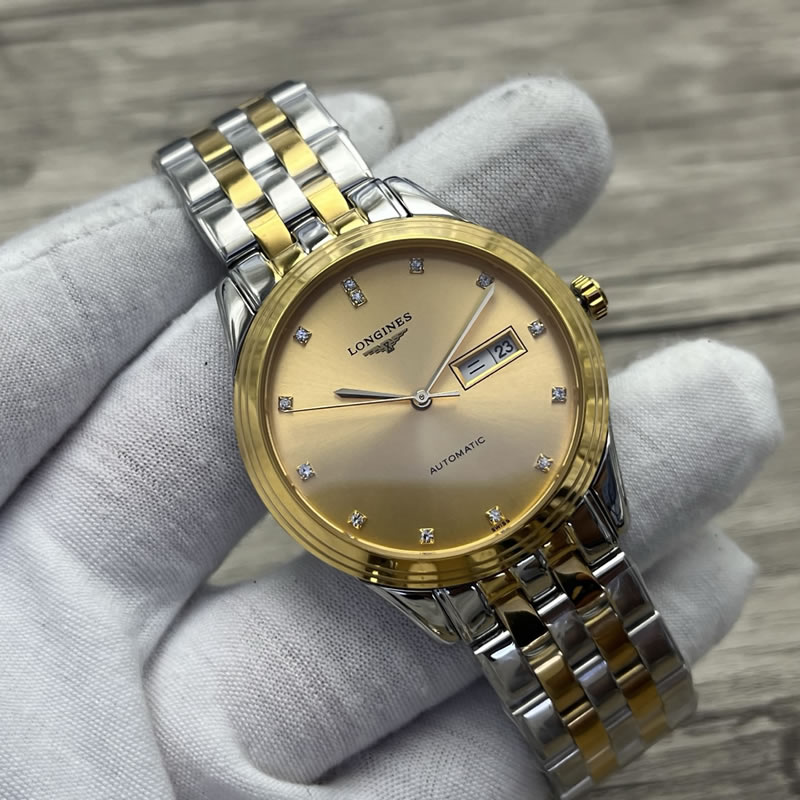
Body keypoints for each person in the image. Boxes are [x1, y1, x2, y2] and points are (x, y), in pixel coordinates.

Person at [0, 77, 782, 799]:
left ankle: (618, 716)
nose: (420, 400)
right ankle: (614, 721)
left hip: (535, 508)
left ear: (574, 306)